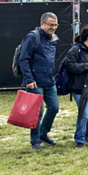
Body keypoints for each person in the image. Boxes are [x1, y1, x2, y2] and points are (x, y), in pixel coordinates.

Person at [18, 12, 61, 151]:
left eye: (56, 25)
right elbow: (23, 59)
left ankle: (43, 133)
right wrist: (29, 79)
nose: (53, 27)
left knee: (54, 108)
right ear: (42, 24)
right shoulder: (32, 37)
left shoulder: (55, 39)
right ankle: (35, 141)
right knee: (37, 112)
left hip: (49, 81)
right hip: (34, 82)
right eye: (50, 25)